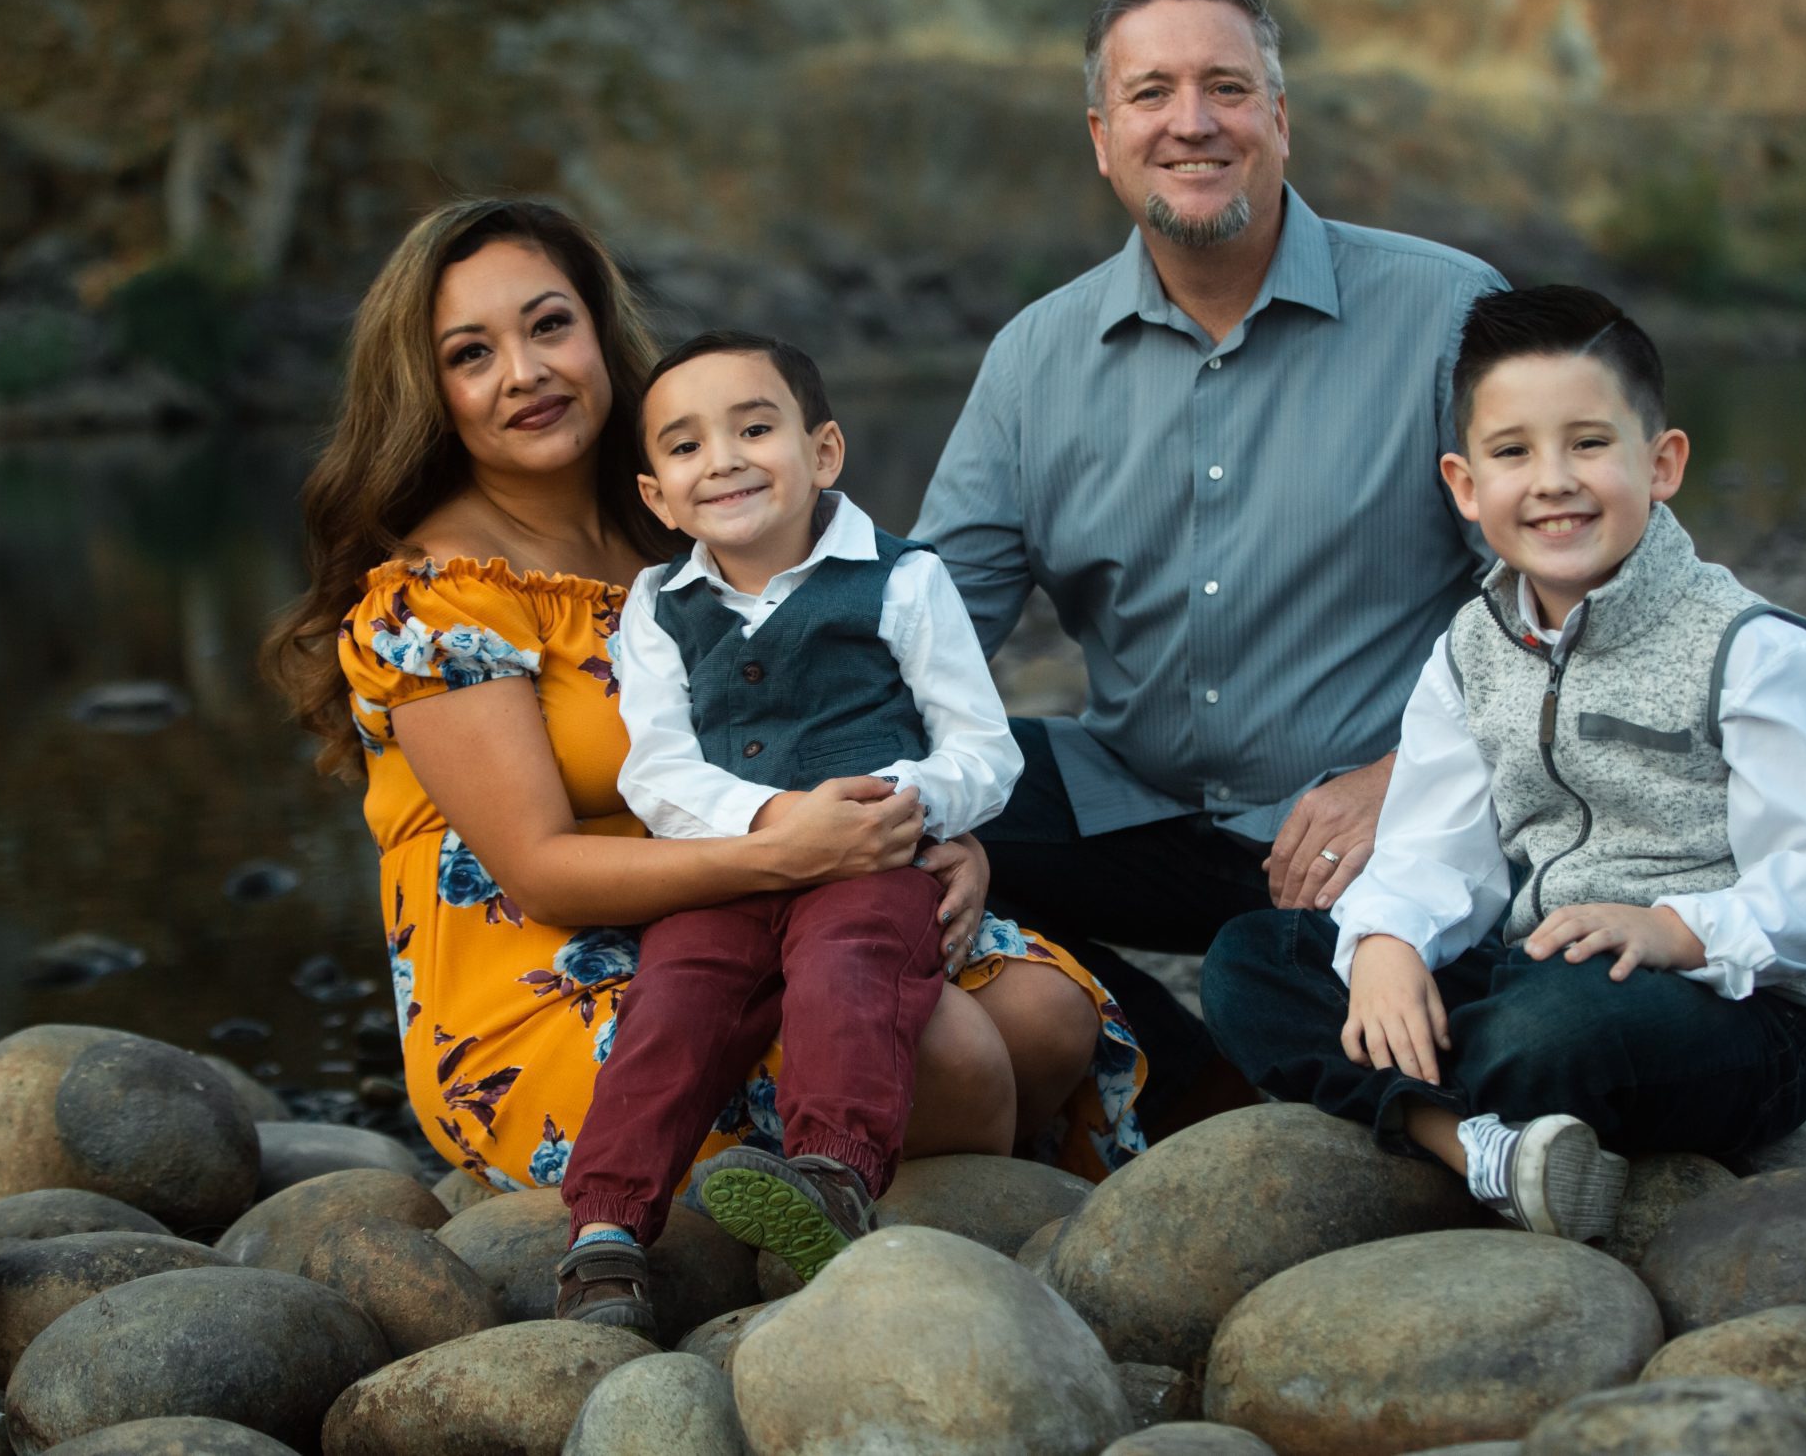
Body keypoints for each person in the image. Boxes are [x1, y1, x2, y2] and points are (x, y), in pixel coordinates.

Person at [260, 200, 1145, 1313]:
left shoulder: (691, 528)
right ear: (426, 390)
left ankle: (897, 1224)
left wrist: (930, 832)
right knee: (954, 1053)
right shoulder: (439, 601)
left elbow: (850, 712)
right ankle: (851, 1275)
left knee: (1048, 1012)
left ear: (600, 334)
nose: (525, 373)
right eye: (471, 355)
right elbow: (538, 870)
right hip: (551, 968)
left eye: (550, 326)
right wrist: (801, 850)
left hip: (774, 889)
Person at [913, 0, 1507, 1117]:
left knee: (1455, 988)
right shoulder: (1035, 360)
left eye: (1227, 89)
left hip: (1376, 826)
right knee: (897, 827)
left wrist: (1407, 777)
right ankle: (1199, 1089)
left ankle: (1327, 1071)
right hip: (1139, 803)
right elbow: (925, 628)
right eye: (1151, 94)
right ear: (1102, 135)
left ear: (1278, 120)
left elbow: (1559, 599)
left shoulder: (1446, 314)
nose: (1192, 123)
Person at [1203, 285, 1806, 1241]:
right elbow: (1434, 852)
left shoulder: (1760, 655)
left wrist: (1672, 930)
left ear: (1662, 463)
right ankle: (1479, 1146)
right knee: (1252, 960)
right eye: (1513, 452)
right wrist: (1387, 946)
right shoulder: (1472, 647)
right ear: (1464, 484)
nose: (1553, 480)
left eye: (1589, 443)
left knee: (1548, 1030)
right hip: (1532, 966)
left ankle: (1449, 1109)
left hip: (1733, 1013)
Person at [556, 329, 1041, 1319]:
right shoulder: (658, 605)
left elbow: (984, 750)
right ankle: (606, 1231)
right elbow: (655, 770)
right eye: (685, 445)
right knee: (673, 1004)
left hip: (868, 860)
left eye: (754, 427)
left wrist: (904, 807)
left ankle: (830, 1175)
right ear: (656, 493)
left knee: (850, 969)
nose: (724, 458)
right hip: (726, 869)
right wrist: (774, 822)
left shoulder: (902, 580)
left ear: (822, 451)